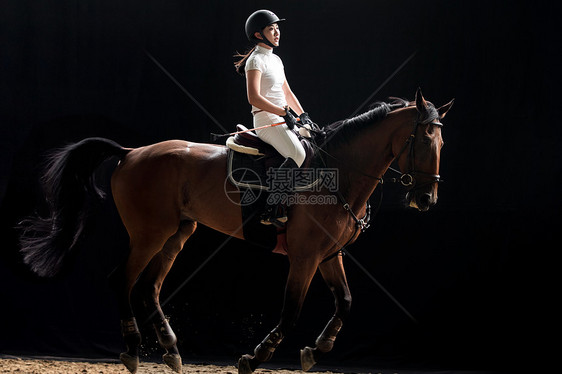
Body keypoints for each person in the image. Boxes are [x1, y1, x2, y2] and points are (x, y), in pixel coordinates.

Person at [234, 9, 315, 226]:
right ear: (259, 35)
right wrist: (283, 113)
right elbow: (254, 98)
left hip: (283, 118)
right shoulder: (255, 61)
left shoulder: (276, 60)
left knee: (313, 143)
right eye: (271, 28)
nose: (277, 32)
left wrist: (303, 115)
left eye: (277, 28)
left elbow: (287, 92)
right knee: (297, 154)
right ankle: (273, 207)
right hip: (266, 121)